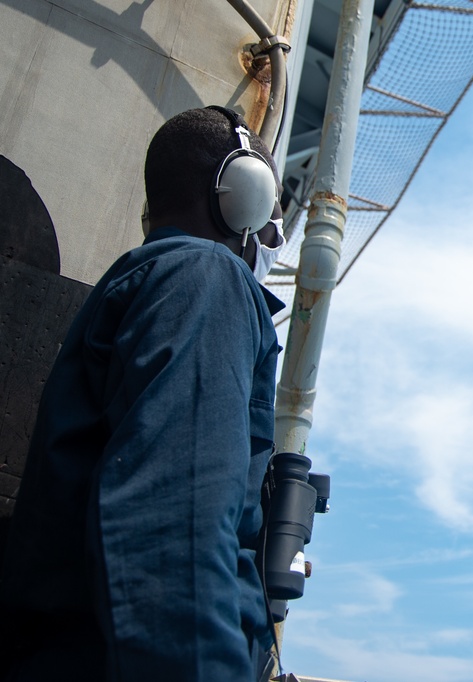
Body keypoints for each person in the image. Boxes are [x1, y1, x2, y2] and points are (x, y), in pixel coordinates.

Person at [0, 107, 286, 681]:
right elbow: (172, 532)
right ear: (245, 196)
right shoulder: (207, 280)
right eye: (273, 218)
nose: (273, 241)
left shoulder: (151, 284)